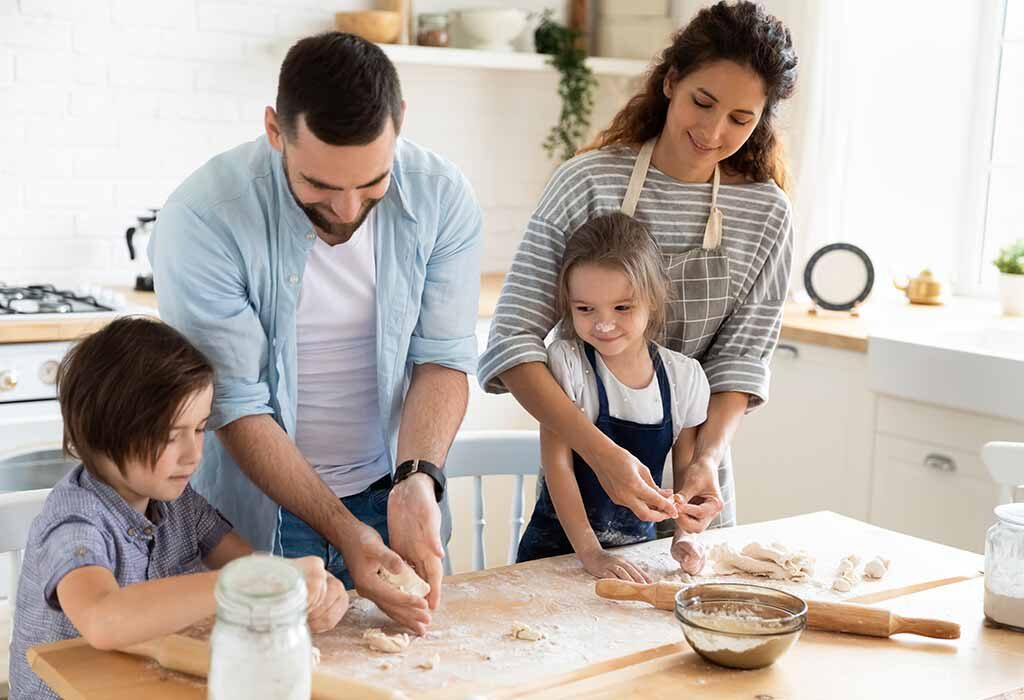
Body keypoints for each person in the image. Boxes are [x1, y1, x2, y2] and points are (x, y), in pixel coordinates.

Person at [150, 32, 482, 634]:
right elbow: (237, 404)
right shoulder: (203, 219)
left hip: (394, 495)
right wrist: (346, 531)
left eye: (372, 183)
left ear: (400, 124)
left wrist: (417, 480)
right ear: (275, 131)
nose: (348, 210)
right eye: (321, 186)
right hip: (253, 518)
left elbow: (442, 359)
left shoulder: (441, 196)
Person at [479, 0, 798, 530]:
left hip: (695, 487)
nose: (713, 130)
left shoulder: (766, 213)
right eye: (702, 102)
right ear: (670, 82)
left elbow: (740, 362)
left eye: (740, 119)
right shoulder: (587, 182)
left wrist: (705, 461)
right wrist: (602, 455)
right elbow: (512, 342)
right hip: (587, 478)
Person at [8, 318, 346, 700]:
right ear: (102, 431)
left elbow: (246, 564)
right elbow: (103, 618)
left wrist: (295, 593)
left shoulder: (179, 504)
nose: (194, 454)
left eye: (199, 429)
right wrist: (253, 580)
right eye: (170, 436)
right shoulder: (75, 522)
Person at [515, 212, 715, 581]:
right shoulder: (567, 363)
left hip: (635, 557)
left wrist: (685, 536)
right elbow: (558, 468)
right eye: (585, 309)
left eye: (622, 307)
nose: (604, 323)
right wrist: (591, 554)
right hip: (555, 555)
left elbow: (685, 475)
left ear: (654, 298)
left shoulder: (683, 378)